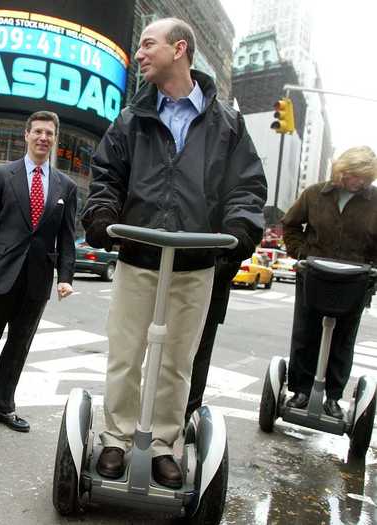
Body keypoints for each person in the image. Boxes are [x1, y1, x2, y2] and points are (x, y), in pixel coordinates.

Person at [81, 18, 266, 487]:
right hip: (139, 256)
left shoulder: (227, 123)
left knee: (177, 360)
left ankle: (164, 441)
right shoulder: (130, 119)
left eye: (148, 44)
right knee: (126, 354)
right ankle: (118, 439)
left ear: (178, 49)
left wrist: (240, 229)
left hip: (196, 260)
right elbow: (106, 177)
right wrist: (103, 216)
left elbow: (246, 186)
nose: (139, 53)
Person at [0, 111, 77, 438]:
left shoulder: (66, 186)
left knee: (18, 346)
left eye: (49, 133)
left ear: (54, 138)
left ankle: (3, 406)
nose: (43, 138)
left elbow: (66, 238)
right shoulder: (0, 175)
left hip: (37, 281)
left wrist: (65, 277)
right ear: (26, 135)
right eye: (37, 131)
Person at [282, 146, 377, 418]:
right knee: (305, 332)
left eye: (362, 177)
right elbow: (290, 225)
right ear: (340, 170)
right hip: (314, 274)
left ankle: (333, 397)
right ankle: (300, 391)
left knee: (344, 339)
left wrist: (373, 271)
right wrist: (301, 254)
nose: (355, 181)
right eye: (350, 175)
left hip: (356, 279)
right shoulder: (315, 194)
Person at [185, 256, 243, 421]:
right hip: (179, 281)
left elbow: (237, 250)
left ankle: (190, 413)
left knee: (199, 355)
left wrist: (201, 273)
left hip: (212, 289)